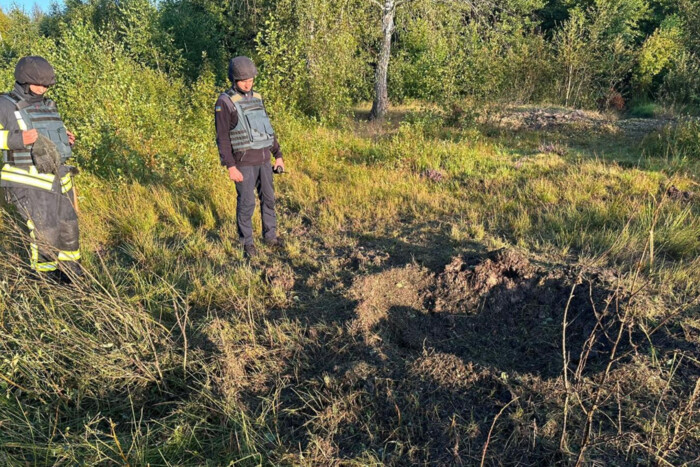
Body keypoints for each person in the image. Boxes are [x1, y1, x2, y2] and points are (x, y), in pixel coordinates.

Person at [0, 56, 82, 282]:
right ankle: (44, 281)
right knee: (45, 230)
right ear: (24, 81)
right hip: (27, 179)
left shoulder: (48, 105)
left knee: (68, 227)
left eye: (47, 85)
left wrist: (63, 139)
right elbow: (16, 137)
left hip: (58, 178)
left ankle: (70, 274)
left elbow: (45, 133)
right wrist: (17, 139)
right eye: (39, 84)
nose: (43, 89)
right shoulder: (4, 104)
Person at [215, 56, 284, 258]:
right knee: (246, 204)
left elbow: (267, 129)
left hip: (264, 160)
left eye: (251, 79)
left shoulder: (258, 98)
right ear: (233, 79)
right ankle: (247, 244)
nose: (248, 83)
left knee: (269, 200)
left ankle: (270, 237)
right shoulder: (224, 102)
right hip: (243, 164)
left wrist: (278, 155)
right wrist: (230, 166)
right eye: (243, 80)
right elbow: (223, 138)